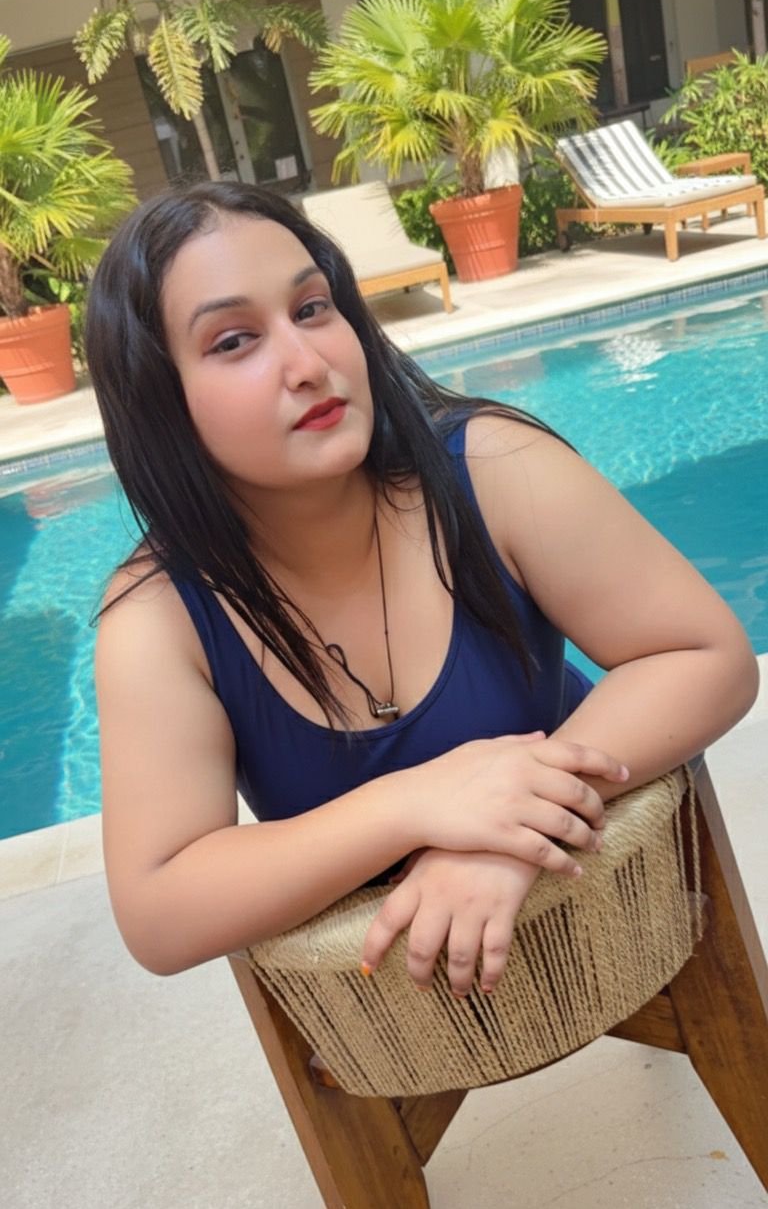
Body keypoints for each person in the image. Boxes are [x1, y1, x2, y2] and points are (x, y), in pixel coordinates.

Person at [89, 181, 757, 999]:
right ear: (159, 400)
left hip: (590, 887)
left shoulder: (492, 469)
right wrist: (419, 803)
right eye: (234, 341)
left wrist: (504, 832)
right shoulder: (158, 619)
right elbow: (158, 911)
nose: (309, 365)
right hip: (391, 993)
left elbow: (708, 654)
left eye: (312, 308)